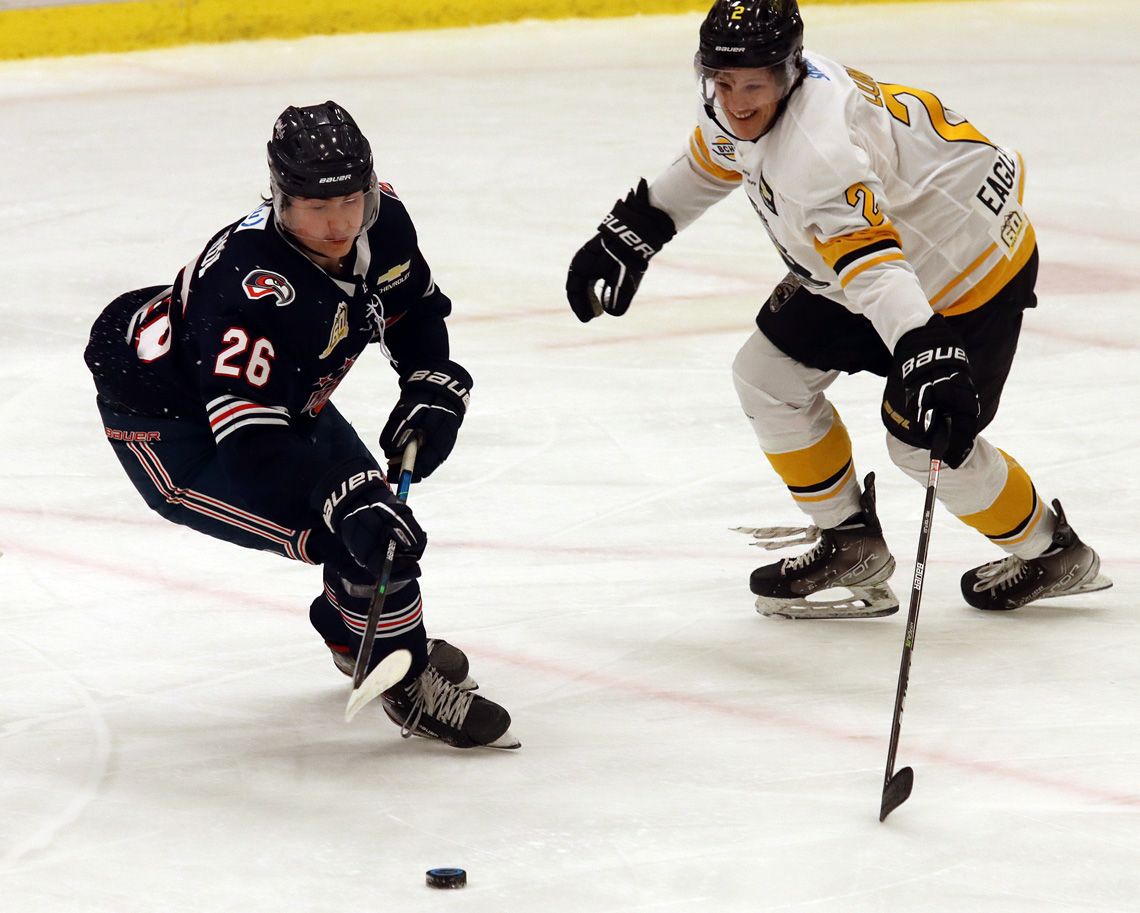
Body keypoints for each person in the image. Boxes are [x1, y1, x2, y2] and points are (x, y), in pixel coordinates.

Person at [565, 0, 1111, 619]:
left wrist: (923, 350)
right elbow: (716, 156)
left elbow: (874, 272)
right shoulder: (738, 98)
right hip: (876, 254)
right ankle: (849, 543)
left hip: (965, 270)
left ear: (788, 72)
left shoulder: (817, 153)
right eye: (722, 82)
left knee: (922, 443)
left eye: (753, 85)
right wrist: (636, 226)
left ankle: (1051, 551)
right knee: (767, 377)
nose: (736, 101)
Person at [84, 100, 518, 748]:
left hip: (281, 396)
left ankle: (353, 632)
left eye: (351, 198)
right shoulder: (247, 289)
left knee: (367, 515)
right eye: (318, 207)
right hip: (176, 433)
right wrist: (343, 499)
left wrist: (429, 380)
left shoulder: (384, 222)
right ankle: (406, 682)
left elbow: (414, 311)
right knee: (356, 523)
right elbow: (253, 450)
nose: (340, 222)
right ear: (281, 201)